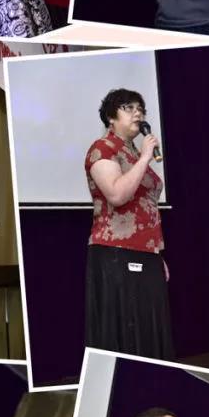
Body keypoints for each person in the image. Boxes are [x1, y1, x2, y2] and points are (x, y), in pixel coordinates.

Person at [84, 89, 173, 360]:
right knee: (125, 331)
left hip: (146, 252)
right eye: (129, 108)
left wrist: (156, 253)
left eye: (140, 109)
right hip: (116, 252)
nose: (138, 113)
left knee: (149, 328)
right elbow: (117, 195)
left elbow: (145, 208)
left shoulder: (133, 152)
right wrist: (145, 157)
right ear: (111, 117)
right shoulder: (103, 148)